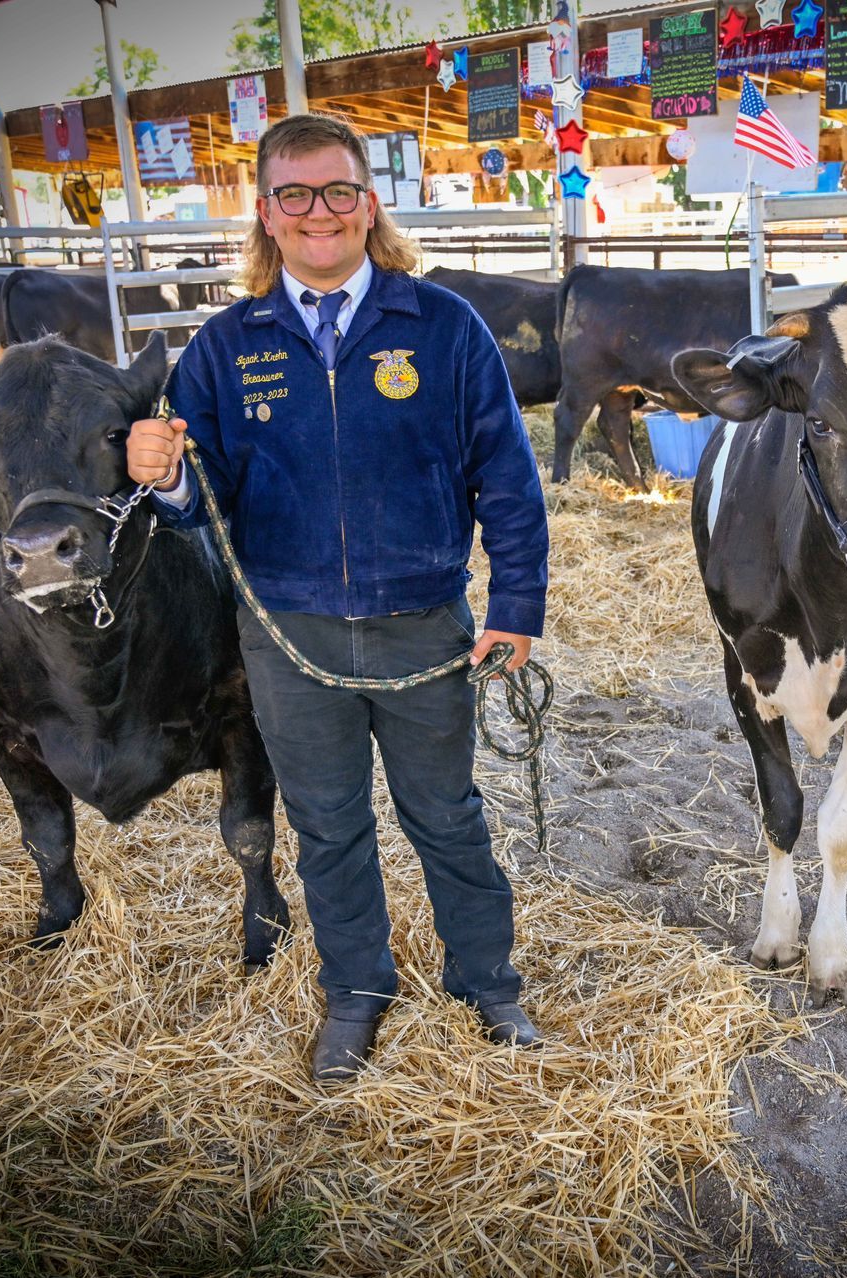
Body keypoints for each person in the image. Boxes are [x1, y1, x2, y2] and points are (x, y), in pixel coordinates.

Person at [126, 113, 550, 1083]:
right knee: (327, 823)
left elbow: (508, 478)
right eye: (294, 195)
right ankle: (357, 987)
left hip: (423, 625)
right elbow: (207, 503)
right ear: (266, 216)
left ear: (369, 205)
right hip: (287, 635)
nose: (319, 213)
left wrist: (515, 602)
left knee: (446, 812)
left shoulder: (440, 326)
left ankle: (487, 981)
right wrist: (165, 476)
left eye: (337, 191)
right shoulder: (228, 346)